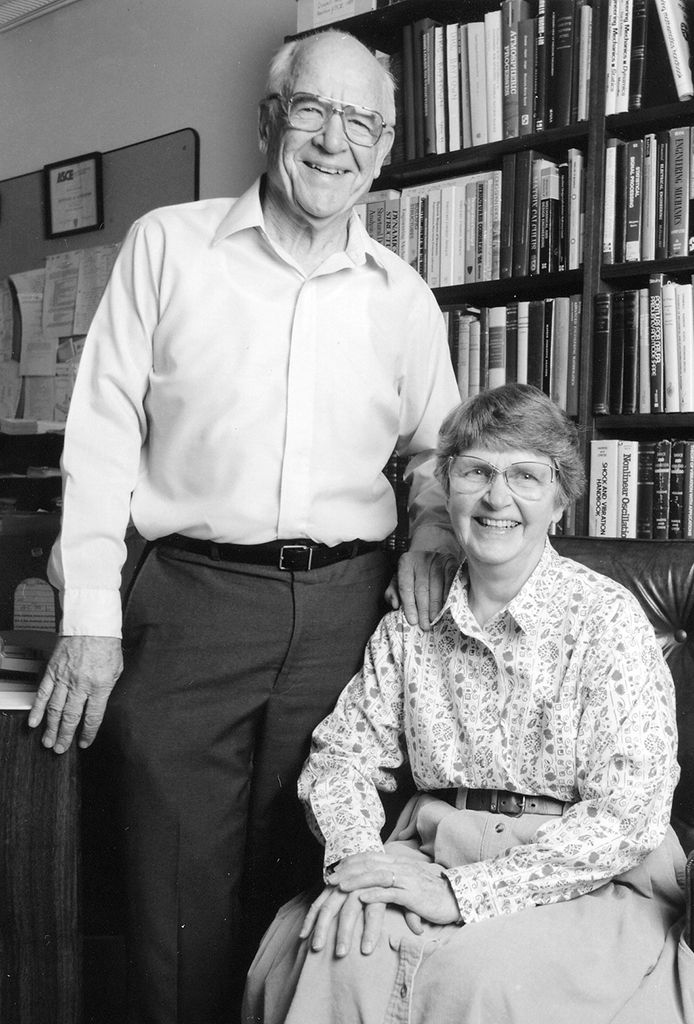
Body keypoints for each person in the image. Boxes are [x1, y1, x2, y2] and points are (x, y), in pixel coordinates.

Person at [27, 29, 461, 1024]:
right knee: (174, 899)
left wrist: (433, 529)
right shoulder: (168, 246)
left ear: (385, 149)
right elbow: (101, 434)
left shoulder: (402, 296)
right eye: (312, 109)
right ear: (270, 121)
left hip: (348, 614)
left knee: (312, 886)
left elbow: (440, 447)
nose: (334, 140)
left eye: (361, 122)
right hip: (191, 603)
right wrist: (90, 616)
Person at [244, 383, 688, 1024]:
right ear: (447, 487)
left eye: (526, 476)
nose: (497, 498)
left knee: (479, 980)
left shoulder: (606, 620)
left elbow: (628, 815)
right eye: (476, 471)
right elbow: (342, 758)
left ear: (560, 499)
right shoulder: (411, 623)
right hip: (433, 846)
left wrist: (463, 892)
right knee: (336, 950)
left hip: (580, 872)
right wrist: (361, 864)